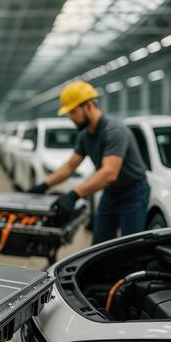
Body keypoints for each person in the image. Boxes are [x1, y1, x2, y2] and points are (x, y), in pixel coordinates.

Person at [28, 81, 150, 244]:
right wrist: (44, 185)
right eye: (69, 113)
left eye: (73, 112)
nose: (70, 118)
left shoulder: (114, 131)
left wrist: (73, 195)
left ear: (89, 106)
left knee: (130, 247)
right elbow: (70, 166)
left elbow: (109, 173)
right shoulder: (85, 136)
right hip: (110, 194)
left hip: (133, 194)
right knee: (99, 246)